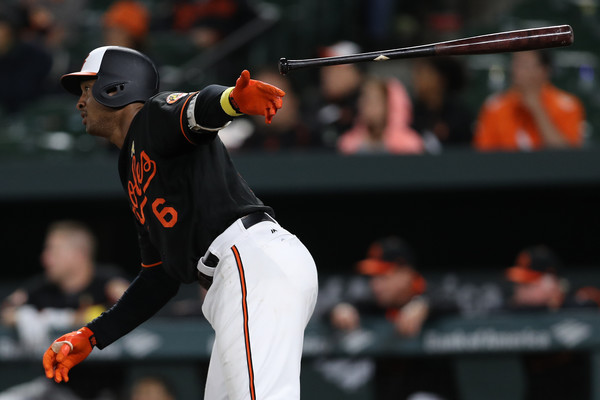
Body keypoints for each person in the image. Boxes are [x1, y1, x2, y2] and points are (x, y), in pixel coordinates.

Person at [42, 46, 319, 400]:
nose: (80, 103)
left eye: (86, 89)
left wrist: (232, 100)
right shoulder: (130, 166)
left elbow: (196, 110)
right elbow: (159, 277)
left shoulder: (153, 117)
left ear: (115, 88)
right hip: (240, 272)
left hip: (251, 261)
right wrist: (94, 334)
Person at [328, 236, 458, 400]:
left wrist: (423, 305)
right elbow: (333, 308)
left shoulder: (432, 296)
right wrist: (341, 308)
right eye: (373, 278)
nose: (376, 285)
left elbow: (451, 304)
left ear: (405, 274)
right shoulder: (375, 305)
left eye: (383, 277)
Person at [504, 245, 597, 400]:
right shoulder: (514, 310)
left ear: (550, 282)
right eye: (519, 284)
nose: (519, 290)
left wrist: (552, 305)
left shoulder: (577, 303)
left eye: (527, 284)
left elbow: (589, 304)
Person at [473, 50, 585, 151]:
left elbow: (568, 158)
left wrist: (537, 108)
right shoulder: (494, 107)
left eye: (524, 64)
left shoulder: (568, 105)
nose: (516, 70)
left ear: (544, 71)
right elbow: (484, 158)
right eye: (515, 63)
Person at [337, 76, 424, 154]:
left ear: (391, 105)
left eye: (374, 101)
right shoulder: (349, 145)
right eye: (364, 99)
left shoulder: (409, 145)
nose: (365, 106)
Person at [410, 56, 474, 152]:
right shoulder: (411, 113)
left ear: (441, 79)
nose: (416, 80)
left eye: (422, 73)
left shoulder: (460, 114)